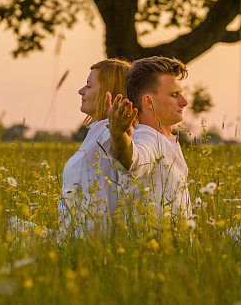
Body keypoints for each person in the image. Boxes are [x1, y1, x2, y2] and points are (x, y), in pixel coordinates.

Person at [106, 56, 192, 223]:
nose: (184, 102)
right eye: (174, 95)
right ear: (148, 102)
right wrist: (119, 136)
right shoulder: (147, 139)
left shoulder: (167, 141)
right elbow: (133, 161)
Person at [57, 58, 130, 237]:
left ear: (109, 93)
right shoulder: (97, 131)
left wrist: (118, 131)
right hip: (74, 236)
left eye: (89, 86)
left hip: (89, 241)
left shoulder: (109, 134)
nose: (81, 91)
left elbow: (123, 149)